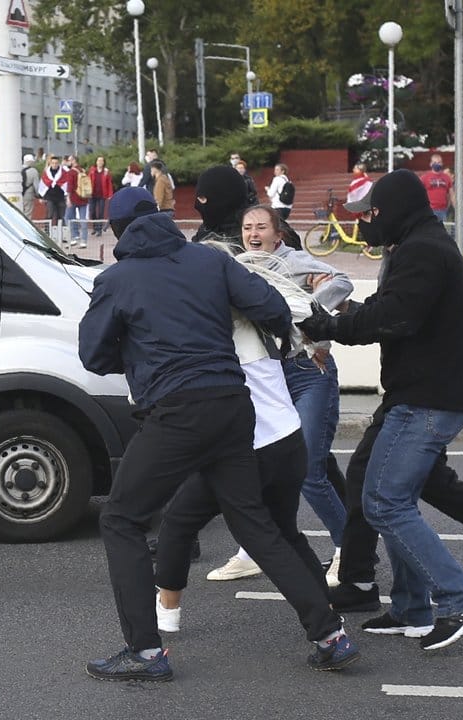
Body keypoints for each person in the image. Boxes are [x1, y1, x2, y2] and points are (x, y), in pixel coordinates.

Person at [78, 186, 357, 681]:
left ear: (118, 230)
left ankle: (145, 651)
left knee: (120, 518)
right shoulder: (210, 261)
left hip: (178, 410)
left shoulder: (117, 279)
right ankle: (330, 635)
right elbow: (271, 306)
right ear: (164, 218)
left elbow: (94, 356)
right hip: (234, 405)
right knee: (256, 524)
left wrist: (141, 350)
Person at [298, 169, 463, 652]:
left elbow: (395, 317)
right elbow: (391, 308)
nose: (370, 223)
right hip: (413, 394)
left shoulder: (423, 250)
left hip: (427, 398)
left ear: (398, 209)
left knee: (386, 502)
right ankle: (412, 609)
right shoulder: (416, 244)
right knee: (371, 486)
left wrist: (326, 325)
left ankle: (460, 599)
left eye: (376, 213)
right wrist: (344, 312)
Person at [152, 235, 356, 672]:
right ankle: (331, 622)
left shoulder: (208, 321)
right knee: (284, 533)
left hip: (247, 448)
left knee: (194, 526)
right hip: (287, 439)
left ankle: (327, 632)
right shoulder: (256, 316)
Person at [204, 205, 352, 586]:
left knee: (309, 470)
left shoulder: (292, 262)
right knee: (258, 467)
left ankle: (348, 550)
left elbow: (343, 280)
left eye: (261, 226)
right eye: (247, 226)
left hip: (308, 373)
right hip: (269, 377)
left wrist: (306, 310)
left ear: (278, 233)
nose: (253, 232)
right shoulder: (240, 265)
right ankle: (252, 550)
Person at [60, 156, 90, 248]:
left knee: (68, 217)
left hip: (73, 198)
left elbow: (70, 186)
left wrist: (68, 198)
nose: (68, 162)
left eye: (69, 160)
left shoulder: (71, 172)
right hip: (84, 197)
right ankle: (84, 240)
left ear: (73, 161)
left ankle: (74, 236)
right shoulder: (83, 170)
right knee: (82, 219)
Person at [37, 156, 67, 243]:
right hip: (49, 197)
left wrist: (67, 195)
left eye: (56, 163)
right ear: (50, 163)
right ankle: (47, 233)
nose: (54, 165)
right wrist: (41, 197)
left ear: (59, 163)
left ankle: (61, 235)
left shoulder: (63, 173)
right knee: (49, 215)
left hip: (61, 197)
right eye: (53, 163)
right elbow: (42, 185)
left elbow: (66, 184)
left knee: (61, 217)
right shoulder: (46, 173)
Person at [419, 153, 452, 223]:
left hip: (443, 210)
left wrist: (450, 206)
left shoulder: (447, 177)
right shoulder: (424, 177)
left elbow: (451, 194)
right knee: (430, 231)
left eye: (439, 162)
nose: (437, 164)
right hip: (430, 210)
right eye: (434, 162)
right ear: (431, 164)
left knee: (442, 231)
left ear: (442, 163)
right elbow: (418, 193)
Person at [88, 156, 115, 236]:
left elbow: (109, 184)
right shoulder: (92, 171)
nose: (100, 162)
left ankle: (99, 229)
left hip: (102, 194)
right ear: (96, 162)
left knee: (100, 212)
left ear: (104, 163)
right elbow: (88, 181)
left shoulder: (106, 172)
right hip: (92, 194)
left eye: (101, 161)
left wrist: (110, 194)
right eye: (98, 161)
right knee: (92, 211)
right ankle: (94, 227)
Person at [20, 153, 40, 218]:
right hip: (28, 194)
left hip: (18, 193)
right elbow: (36, 186)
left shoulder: (18, 169)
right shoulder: (34, 171)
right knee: (28, 212)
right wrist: (38, 195)